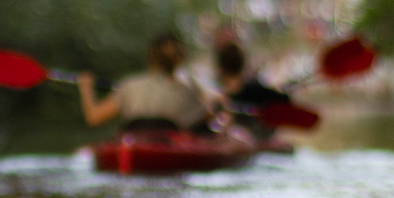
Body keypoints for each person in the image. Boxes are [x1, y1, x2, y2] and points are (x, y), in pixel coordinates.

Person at [77, 34, 211, 131]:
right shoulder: (185, 91)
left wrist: (86, 87)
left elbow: (93, 117)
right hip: (168, 149)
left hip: (134, 143)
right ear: (179, 60)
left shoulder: (129, 85)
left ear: (150, 58)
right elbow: (206, 118)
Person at [214, 42, 293, 141]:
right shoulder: (260, 91)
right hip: (254, 142)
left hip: (247, 144)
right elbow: (286, 100)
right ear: (243, 66)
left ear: (220, 68)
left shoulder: (215, 96)